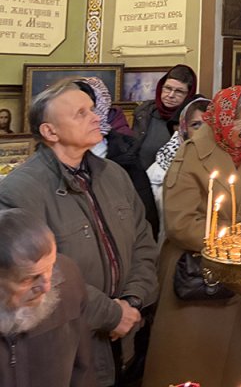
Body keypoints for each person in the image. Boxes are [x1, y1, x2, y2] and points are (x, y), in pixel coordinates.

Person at [0, 80, 158, 387]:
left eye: (93, 109)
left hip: (127, 333)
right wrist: (112, 314)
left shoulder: (114, 174)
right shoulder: (19, 191)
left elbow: (143, 241)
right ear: (50, 131)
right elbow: (41, 275)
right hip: (70, 344)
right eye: (81, 113)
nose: (96, 117)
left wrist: (133, 301)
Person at [143, 86, 241, 387]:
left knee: (225, 363)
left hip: (235, 270)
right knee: (187, 363)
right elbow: (180, 223)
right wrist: (231, 239)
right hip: (194, 272)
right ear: (225, 120)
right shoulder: (191, 154)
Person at [0, 207, 95, 387]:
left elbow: (83, 368)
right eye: (29, 279)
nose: (46, 287)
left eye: (50, 267)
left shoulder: (68, 281)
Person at [77, 78, 160, 239]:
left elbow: (145, 220)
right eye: (79, 112)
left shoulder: (124, 154)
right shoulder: (50, 164)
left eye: (91, 109)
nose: (89, 117)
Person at [147, 96, 211, 237]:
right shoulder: (161, 168)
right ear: (183, 129)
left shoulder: (226, 162)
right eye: (196, 125)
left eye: (210, 124)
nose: (204, 131)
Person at [132, 64, 198, 172]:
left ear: (189, 94)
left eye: (179, 91)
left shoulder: (192, 119)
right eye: (168, 88)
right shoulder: (143, 112)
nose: (171, 95)